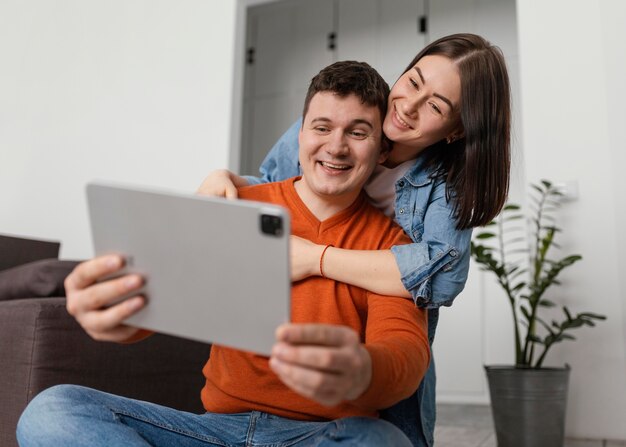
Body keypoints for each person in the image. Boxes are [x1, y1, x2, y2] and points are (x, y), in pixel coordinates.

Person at [17, 61, 431, 447]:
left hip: (324, 435)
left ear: (381, 151)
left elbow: (405, 353)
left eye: (358, 133)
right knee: (52, 411)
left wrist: (361, 368)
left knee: (384, 441)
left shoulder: (391, 248)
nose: (336, 146)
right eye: (321, 127)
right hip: (214, 429)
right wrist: (117, 308)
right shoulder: (237, 205)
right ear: (301, 135)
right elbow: (160, 298)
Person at [197, 33, 511, 446]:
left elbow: (442, 277)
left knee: (388, 427)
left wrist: (317, 258)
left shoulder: (443, 186)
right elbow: (280, 190)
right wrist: (229, 182)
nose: (408, 107)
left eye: (435, 106)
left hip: (378, 308)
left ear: (456, 130)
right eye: (413, 82)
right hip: (284, 329)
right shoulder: (337, 115)